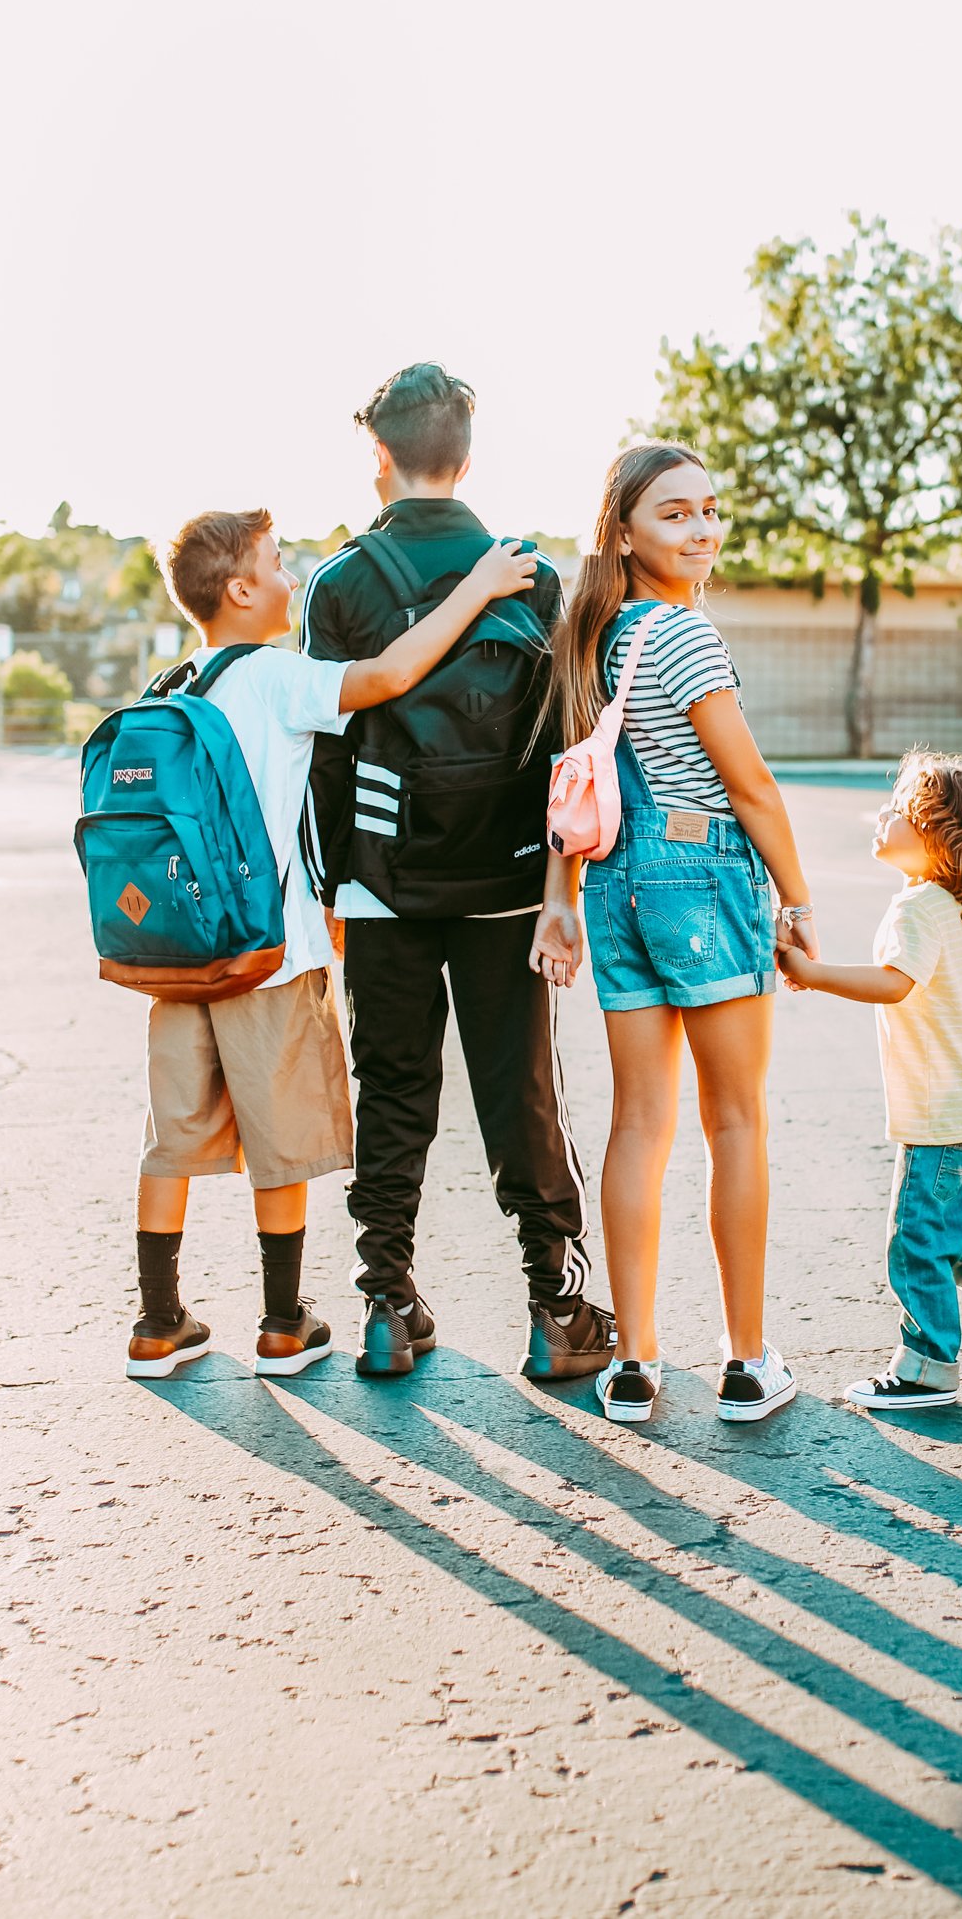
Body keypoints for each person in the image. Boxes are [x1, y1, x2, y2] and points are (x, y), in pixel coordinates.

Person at [127, 504, 540, 1380]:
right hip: (270, 956)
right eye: (277, 564)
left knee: (170, 1138)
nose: (291, 577)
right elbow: (391, 675)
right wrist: (482, 584)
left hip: (177, 955)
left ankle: (157, 1321)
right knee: (279, 1139)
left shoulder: (168, 688)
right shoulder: (277, 677)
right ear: (240, 589)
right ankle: (283, 1323)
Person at [300, 363, 613, 1383]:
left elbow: (326, 751)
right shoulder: (528, 574)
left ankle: (387, 1304)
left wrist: (330, 887)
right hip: (512, 880)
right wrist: (557, 887)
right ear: (466, 455)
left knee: (391, 1086)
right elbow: (567, 742)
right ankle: (554, 1306)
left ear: (377, 454)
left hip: (382, 882)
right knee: (518, 1089)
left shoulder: (340, 584)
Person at [530, 442, 819, 1426]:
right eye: (673, 514)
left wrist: (559, 895)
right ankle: (744, 1362)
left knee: (637, 1124)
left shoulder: (597, 636)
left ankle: (634, 1364)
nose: (700, 530)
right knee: (733, 1119)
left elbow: (575, 785)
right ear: (624, 530)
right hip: (701, 878)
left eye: (707, 509)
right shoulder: (684, 638)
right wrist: (795, 896)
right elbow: (749, 786)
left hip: (614, 885)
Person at [776, 750, 962, 1411]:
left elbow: (894, 985)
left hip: (940, 1104)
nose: (881, 816)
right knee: (944, 1221)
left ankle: (928, 1362)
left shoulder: (919, 909)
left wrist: (811, 974)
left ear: (941, 837)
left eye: (899, 812)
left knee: (914, 1237)